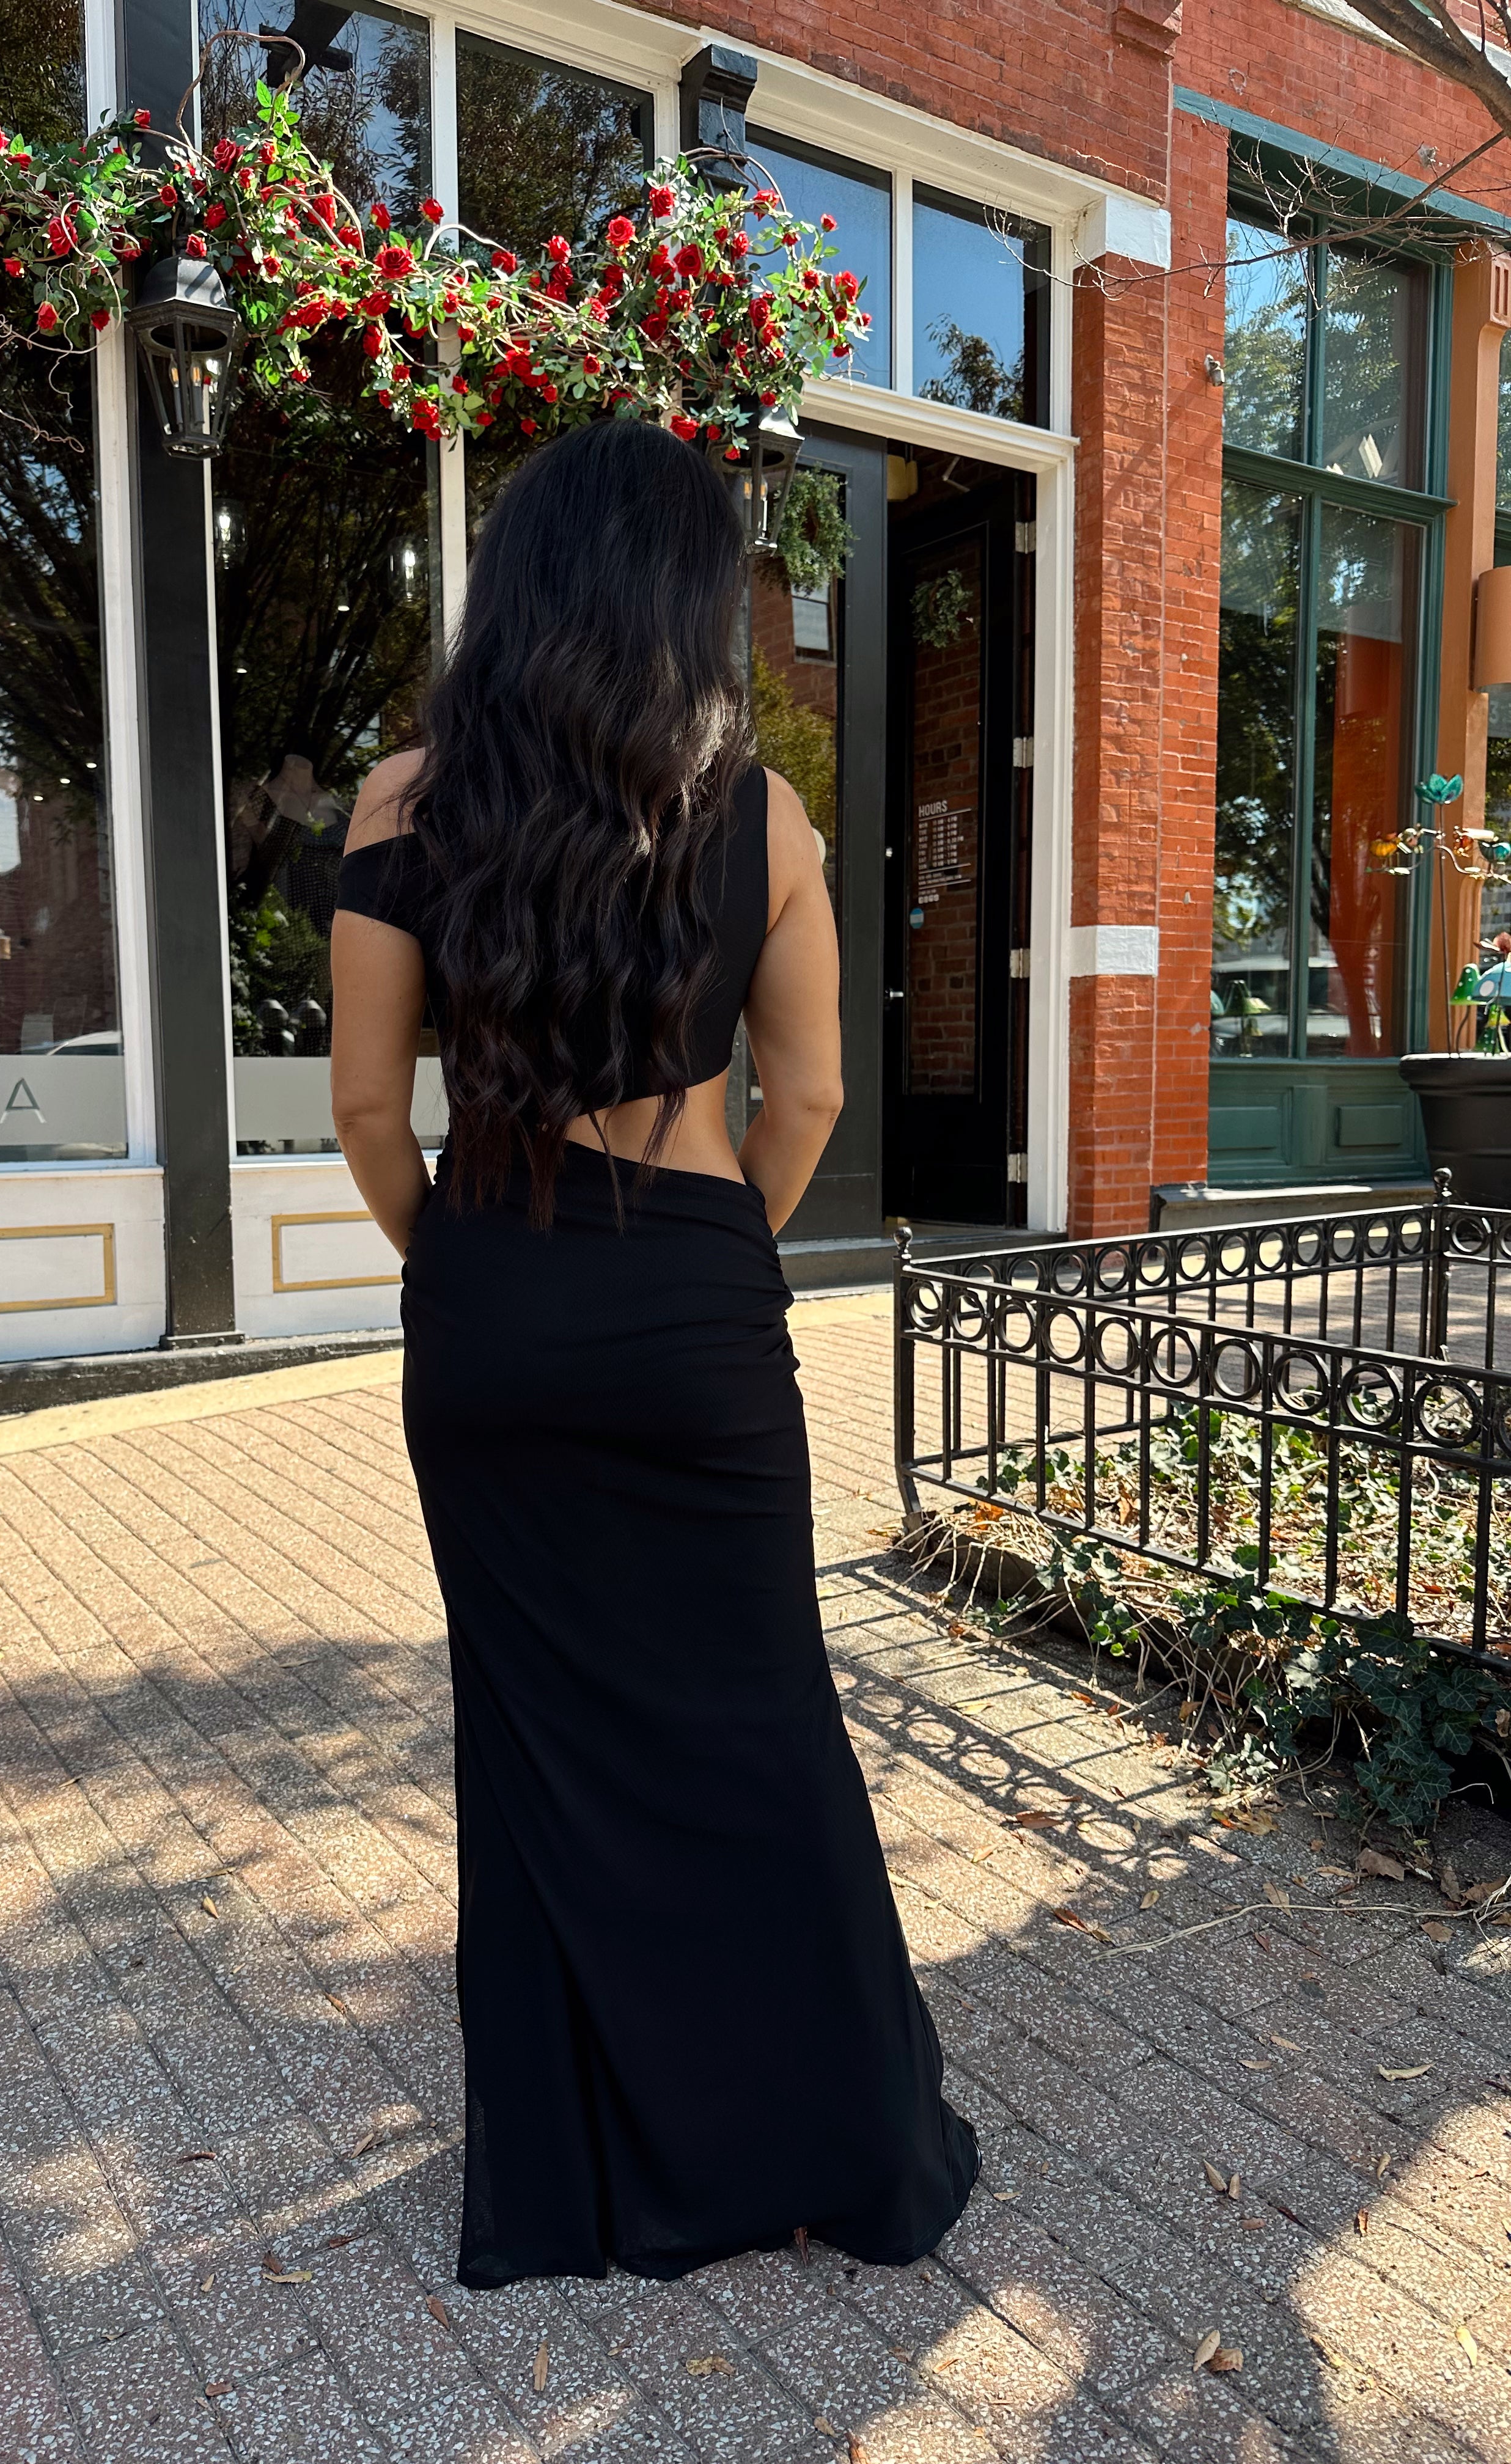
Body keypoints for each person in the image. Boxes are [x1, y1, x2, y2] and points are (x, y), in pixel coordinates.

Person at [329, 417, 977, 2289]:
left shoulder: (401, 805)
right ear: (687, 600)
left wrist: (471, 1271)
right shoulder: (758, 817)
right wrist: (699, 1259)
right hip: (694, 1297)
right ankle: (832, 2145)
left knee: (536, 1741)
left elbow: (374, 1113)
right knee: (761, 1728)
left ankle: (574, 2182)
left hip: (489, 1296)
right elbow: (817, 1094)